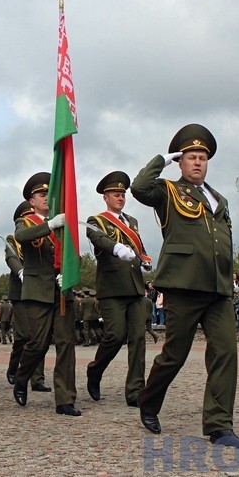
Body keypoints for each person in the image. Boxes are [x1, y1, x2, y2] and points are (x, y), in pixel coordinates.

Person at [131, 123, 239, 448]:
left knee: (225, 352)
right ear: (181, 162)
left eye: (202, 157)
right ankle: (148, 400)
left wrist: (230, 279)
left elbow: (223, 241)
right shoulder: (168, 191)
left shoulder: (219, 198)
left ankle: (219, 426)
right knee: (175, 354)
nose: (197, 162)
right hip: (183, 285)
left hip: (217, 289)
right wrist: (162, 159)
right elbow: (139, 188)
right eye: (191, 157)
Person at [12, 172, 81, 417]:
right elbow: (21, 237)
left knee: (66, 343)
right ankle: (22, 377)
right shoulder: (26, 222)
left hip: (62, 290)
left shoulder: (63, 222)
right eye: (41, 195)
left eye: (48, 194)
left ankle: (65, 399)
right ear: (32, 201)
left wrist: (69, 272)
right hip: (38, 291)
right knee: (38, 344)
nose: (46, 198)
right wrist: (50, 225)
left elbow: (74, 252)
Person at [85, 170, 150, 407]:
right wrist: (116, 248)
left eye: (123, 194)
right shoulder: (96, 220)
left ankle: (135, 391)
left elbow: (138, 246)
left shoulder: (132, 221)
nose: (120, 198)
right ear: (106, 197)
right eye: (115, 194)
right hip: (112, 288)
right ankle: (95, 370)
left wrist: (144, 259)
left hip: (135, 286)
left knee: (138, 338)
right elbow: (99, 239)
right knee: (115, 335)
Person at [4, 201, 50, 392]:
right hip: (21, 291)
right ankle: (14, 365)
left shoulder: (44, 234)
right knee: (23, 335)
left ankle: (37, 378)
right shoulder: (13, 238)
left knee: (38, 335)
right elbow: (11, 257)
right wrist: (21, 271)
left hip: (39, 288)